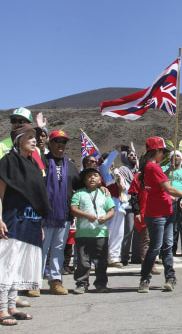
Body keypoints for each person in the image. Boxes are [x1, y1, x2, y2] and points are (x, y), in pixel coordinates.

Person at [0, 124, 50, 325]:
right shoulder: (8, 162)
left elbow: (35, 198)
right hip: (12, 220)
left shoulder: (33, 164)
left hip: (30, 221)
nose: (33, 140)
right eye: (29, 137)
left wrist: (38, 224)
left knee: (18, 267)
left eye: (34, 137)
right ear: (18, 140)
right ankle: (2, 309)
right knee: (6, 265)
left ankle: (12, 306)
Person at [138, 137, 182, 293]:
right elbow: (168, 188)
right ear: (156, 151)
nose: (163, 156)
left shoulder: (150, 167)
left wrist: (173, 198)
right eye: (162, 152)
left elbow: (160, 191)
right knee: (156, 247)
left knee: (167, 246)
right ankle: (145, 279)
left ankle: (170, 277)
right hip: (157, 214)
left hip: (166, 209)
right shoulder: (153, 167)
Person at [42, 130, 82, 295]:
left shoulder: (71, 166)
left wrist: (100, 188)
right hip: (43, 214)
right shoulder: (41, 161)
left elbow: (80, 188)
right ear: (49, 143)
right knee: (41, 249)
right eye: (57, 140)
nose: (60, 144)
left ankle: (55, 281)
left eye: (63, 141)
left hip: (64, 215)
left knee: (58, 248)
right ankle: (34, 283)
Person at [70, 167, 115, 294]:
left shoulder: (104, 194)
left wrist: (105, 217)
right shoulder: (78, 193)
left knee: (101, 261)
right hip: (83, 233)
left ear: (100, 179)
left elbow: (111, 210)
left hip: (101, 233)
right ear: (84, 180)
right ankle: (82, 283)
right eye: (89, 176)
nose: (92, 178)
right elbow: (73, 209)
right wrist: (86, 216)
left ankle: (101, 283)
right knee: (83, 261)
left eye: (95, 175)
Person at [97, 146, 129, 268]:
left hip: (120, 207)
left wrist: (123, 186)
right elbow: (105, 165)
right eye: (109, 162)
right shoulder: (103, 172)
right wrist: (115, 151)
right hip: (109, 207)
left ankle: (114, 257)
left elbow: (126, 188)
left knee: (118, 234)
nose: (111, 164)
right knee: (107, 233)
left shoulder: (117, 173)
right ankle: (103, 257)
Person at [119, 148, 139, 266]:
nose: (133, 156)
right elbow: (131, 184)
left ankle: (136, 256)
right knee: (128, 231)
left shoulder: (137, 170)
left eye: (135, 155)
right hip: (128, 205)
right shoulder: (123, 170)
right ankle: (124, 256)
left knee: (138, 231)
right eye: (131, 155)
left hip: (138, 203)